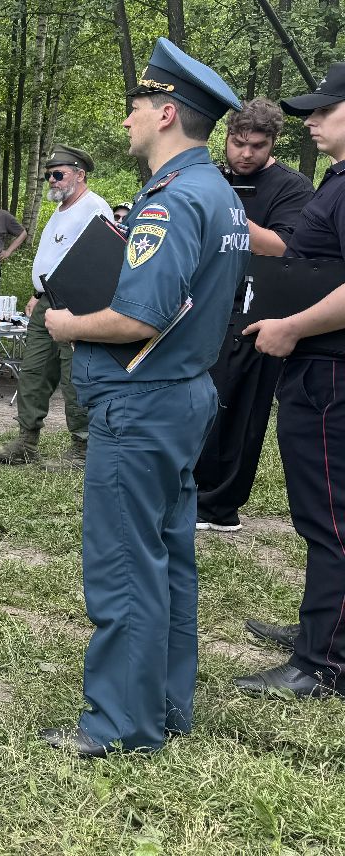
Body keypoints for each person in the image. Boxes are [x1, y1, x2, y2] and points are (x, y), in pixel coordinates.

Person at [39, 38, 249, 755]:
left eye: (134, 108)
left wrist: (66, 324)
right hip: (185, 395)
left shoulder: (169, 201)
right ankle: (163, 705)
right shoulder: (217, 193)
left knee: (125, 561)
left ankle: (121, 727)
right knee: (167, 554)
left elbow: (140, 317)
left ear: (165, 113)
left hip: (142, 400)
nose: (125, 120)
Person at [235, 62, 345, 699]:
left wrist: (294, 325)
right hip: (317, 367)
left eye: (323, 110)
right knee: (319, 512)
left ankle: (324, 661)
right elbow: (302, 253)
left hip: (332, 369)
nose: (309, 121)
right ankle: (322, 627)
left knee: (331, 514)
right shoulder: (334, 181)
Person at [193, 100, 313, 532]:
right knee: (198, 404)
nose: (245, 154)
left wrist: (227, 211)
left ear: (272, 144)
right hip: (204, 305)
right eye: (238, 143)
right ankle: (190, 493)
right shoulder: (212, 175)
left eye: (257, 146)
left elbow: (284, 248)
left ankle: (219, 507)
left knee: (238, 410)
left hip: (257, 312)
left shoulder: (292, 187)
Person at [0, 146, 112, 467]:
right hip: (47, 301)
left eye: (58, 174)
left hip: (77, 304)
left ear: (79, 174)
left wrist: (82, 304)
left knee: (76, 375)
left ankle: (83, 447)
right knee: (34, 370)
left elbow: (104, 260)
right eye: (48, 176)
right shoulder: (59, 212)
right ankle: (27, 442)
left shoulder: (94, 207)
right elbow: (52, 260)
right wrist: (36, 293)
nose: (51, 181)